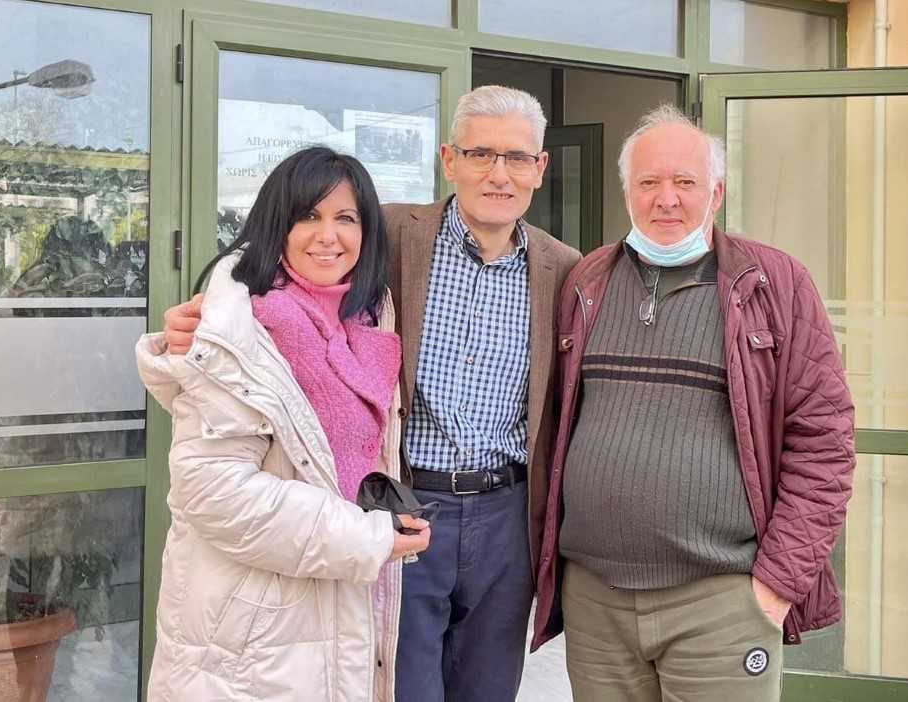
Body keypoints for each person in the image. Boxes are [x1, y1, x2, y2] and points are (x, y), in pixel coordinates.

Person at [160, 86, 582, 702]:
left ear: (540, 168)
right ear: (449, 159)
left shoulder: (565, 269)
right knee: (397, 686)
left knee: (489, 688)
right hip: (403, 505)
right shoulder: (385, 233)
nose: (499, 173)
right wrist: (203, 316)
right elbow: (275, 264)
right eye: (480, 153)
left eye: (517, 157)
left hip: (506, 517)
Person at [530, 104, 856, 702]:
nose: (666, 199)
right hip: (596, 603)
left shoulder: (775, 286)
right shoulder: (587, 282)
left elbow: (824, 445)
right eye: (648, 182)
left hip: (722, 603)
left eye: (685, 182)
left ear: (717, 193)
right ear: (627, 192)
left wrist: (776, 585)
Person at [136, 147, 430, 702]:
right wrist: (365, 536)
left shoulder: (367, 322)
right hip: (249, 631)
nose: (328, 236)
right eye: (308, 215)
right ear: (278, 223)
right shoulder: (243, 323)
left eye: (346, 218)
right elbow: (214, 491)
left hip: (335, 599)